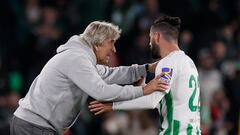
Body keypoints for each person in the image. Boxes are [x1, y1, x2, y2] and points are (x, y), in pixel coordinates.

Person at [10, 21, 169, 135]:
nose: (113, 49)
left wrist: (145, 68)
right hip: (34, 127)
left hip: (35, 125)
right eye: (111, 43)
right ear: (97, 43)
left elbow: (110, 74)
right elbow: (102, 91)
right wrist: (144, 89)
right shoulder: (76, 59)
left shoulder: (82, 58)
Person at [89, 16, 201, 134]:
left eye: (150, 38)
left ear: (157, 37)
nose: (149, 43)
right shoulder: (189, 62)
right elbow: (167, 100)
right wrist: (143, 90)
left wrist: (113, 105)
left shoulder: (168, 62)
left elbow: (152, 101)